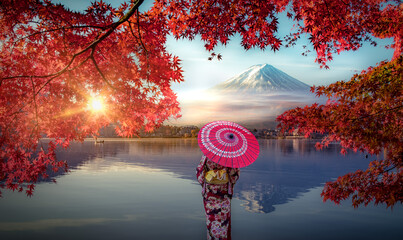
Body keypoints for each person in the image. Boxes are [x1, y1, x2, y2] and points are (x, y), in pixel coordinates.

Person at [196, 154, 240, 240]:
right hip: (223, 194)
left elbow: (199, 173)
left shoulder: (206, 155)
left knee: (211, 220)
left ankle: (212, 237)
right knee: (223, 221)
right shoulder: (229, 156)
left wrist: (208, 182)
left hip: (210, 194)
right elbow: (234, 175)